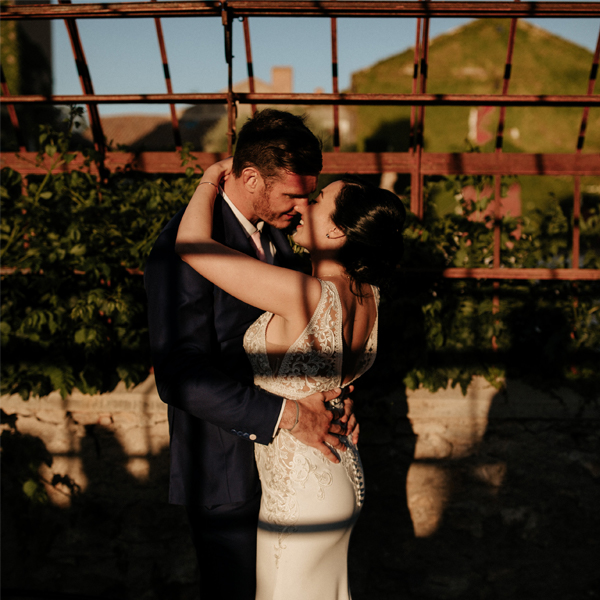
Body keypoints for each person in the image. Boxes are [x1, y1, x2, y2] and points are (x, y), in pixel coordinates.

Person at [144, 109, 355, 600]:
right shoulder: (182, 246)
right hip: (227, 471)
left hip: (292, 475)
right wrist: (285, 415)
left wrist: (332, 395)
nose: (302, 207)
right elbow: (179, 373)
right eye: (292, 194)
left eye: (309, 193)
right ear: (252, 177)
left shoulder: (277, 233)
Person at [175, 153, 406, 599]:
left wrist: (209, 179)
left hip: (302, 490)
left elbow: (190, 244)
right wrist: (341, 403)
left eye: (318, 200)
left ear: (337, 230)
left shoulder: (303, 292)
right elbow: (328, 380)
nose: (302, 203)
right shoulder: (370, 297)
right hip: (341, 473)